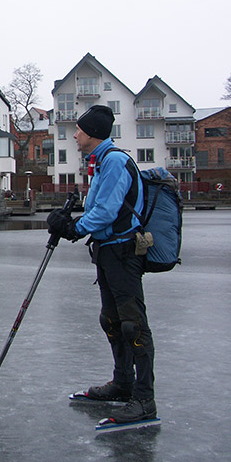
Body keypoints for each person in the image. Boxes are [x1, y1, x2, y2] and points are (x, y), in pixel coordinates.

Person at [47, 105, 157, 424]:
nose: (76, 135)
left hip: (124, 252)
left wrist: (74, 229)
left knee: (133, 324)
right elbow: (100, 207)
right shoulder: (100, 162)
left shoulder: (115, 162)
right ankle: (123, 384)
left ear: (93, 133)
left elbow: (107, 212)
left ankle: (144, 399)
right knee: (111, 320)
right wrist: (70, 217)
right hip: (108, 253)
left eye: (79, 131)